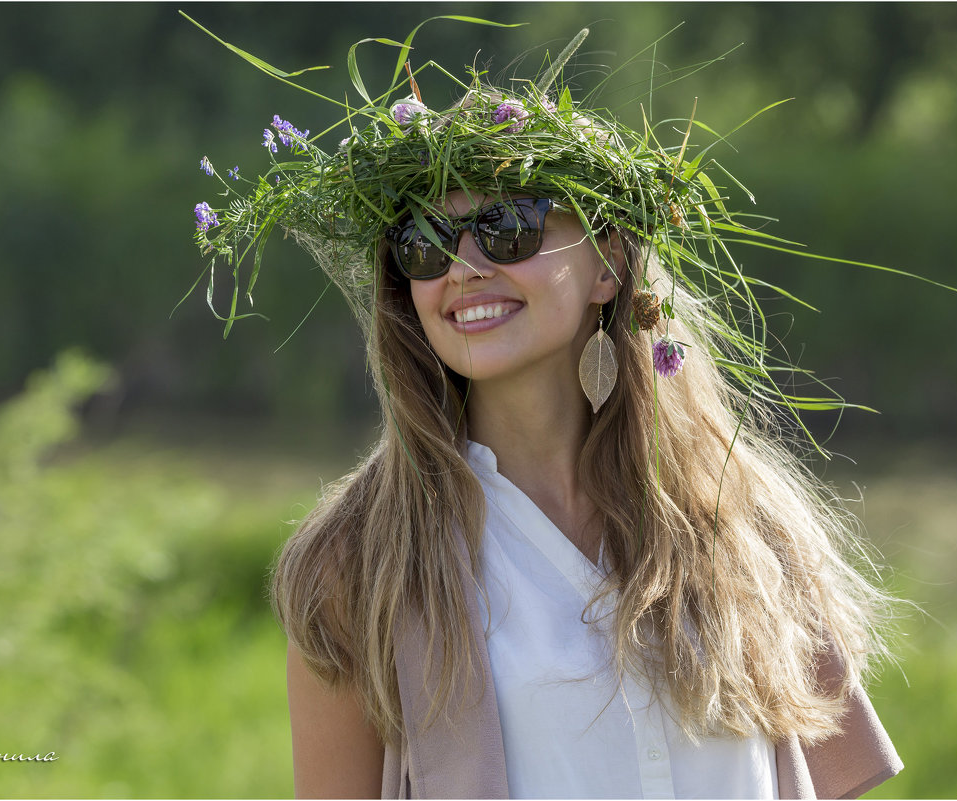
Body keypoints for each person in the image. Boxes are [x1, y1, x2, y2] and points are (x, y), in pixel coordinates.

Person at [190, 21, 902, 799]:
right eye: (425, 243)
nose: (462, 269)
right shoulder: (361, 560)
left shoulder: (741, 516)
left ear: (607, 263)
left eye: (506, 227)